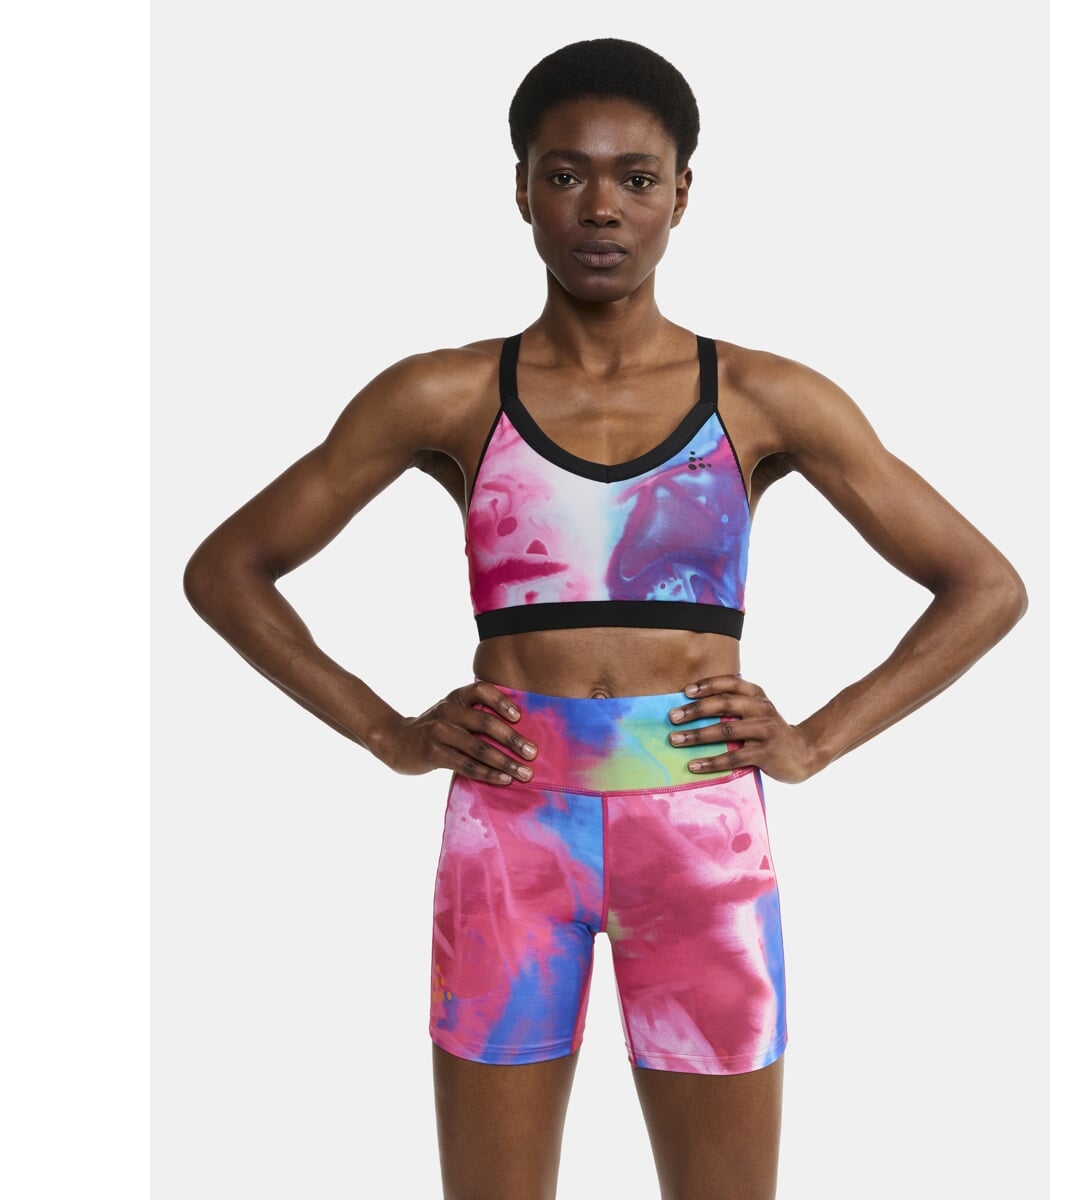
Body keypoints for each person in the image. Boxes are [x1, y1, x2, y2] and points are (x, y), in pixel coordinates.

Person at [183, 36, 1027, 1200]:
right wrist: (387, 732)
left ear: (682, 193)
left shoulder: (764, 397)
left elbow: (984, 585)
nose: (601, 207)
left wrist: (816, 740)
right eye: (566, 173)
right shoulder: (446, 393)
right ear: (521, 189)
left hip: (699, 832)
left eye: (637, 177)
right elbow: (227, 570)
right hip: (509, 832)